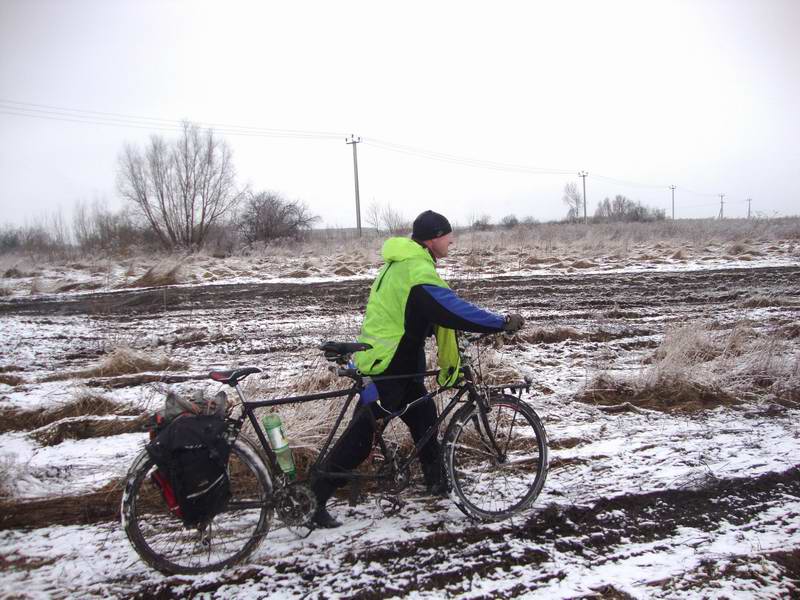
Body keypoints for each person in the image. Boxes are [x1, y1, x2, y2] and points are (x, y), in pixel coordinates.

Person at [311, 210, 524, 528]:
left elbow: (412, 314)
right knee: (363, 435)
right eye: (448, 235)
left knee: (424, 418)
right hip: (390, 363)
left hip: (400, 360)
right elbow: (450, 309)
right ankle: (313, 499)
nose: (452, 240)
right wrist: (499, 322)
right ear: (433, 238)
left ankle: (438, 482)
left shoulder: (401, 263)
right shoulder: (415, 270)